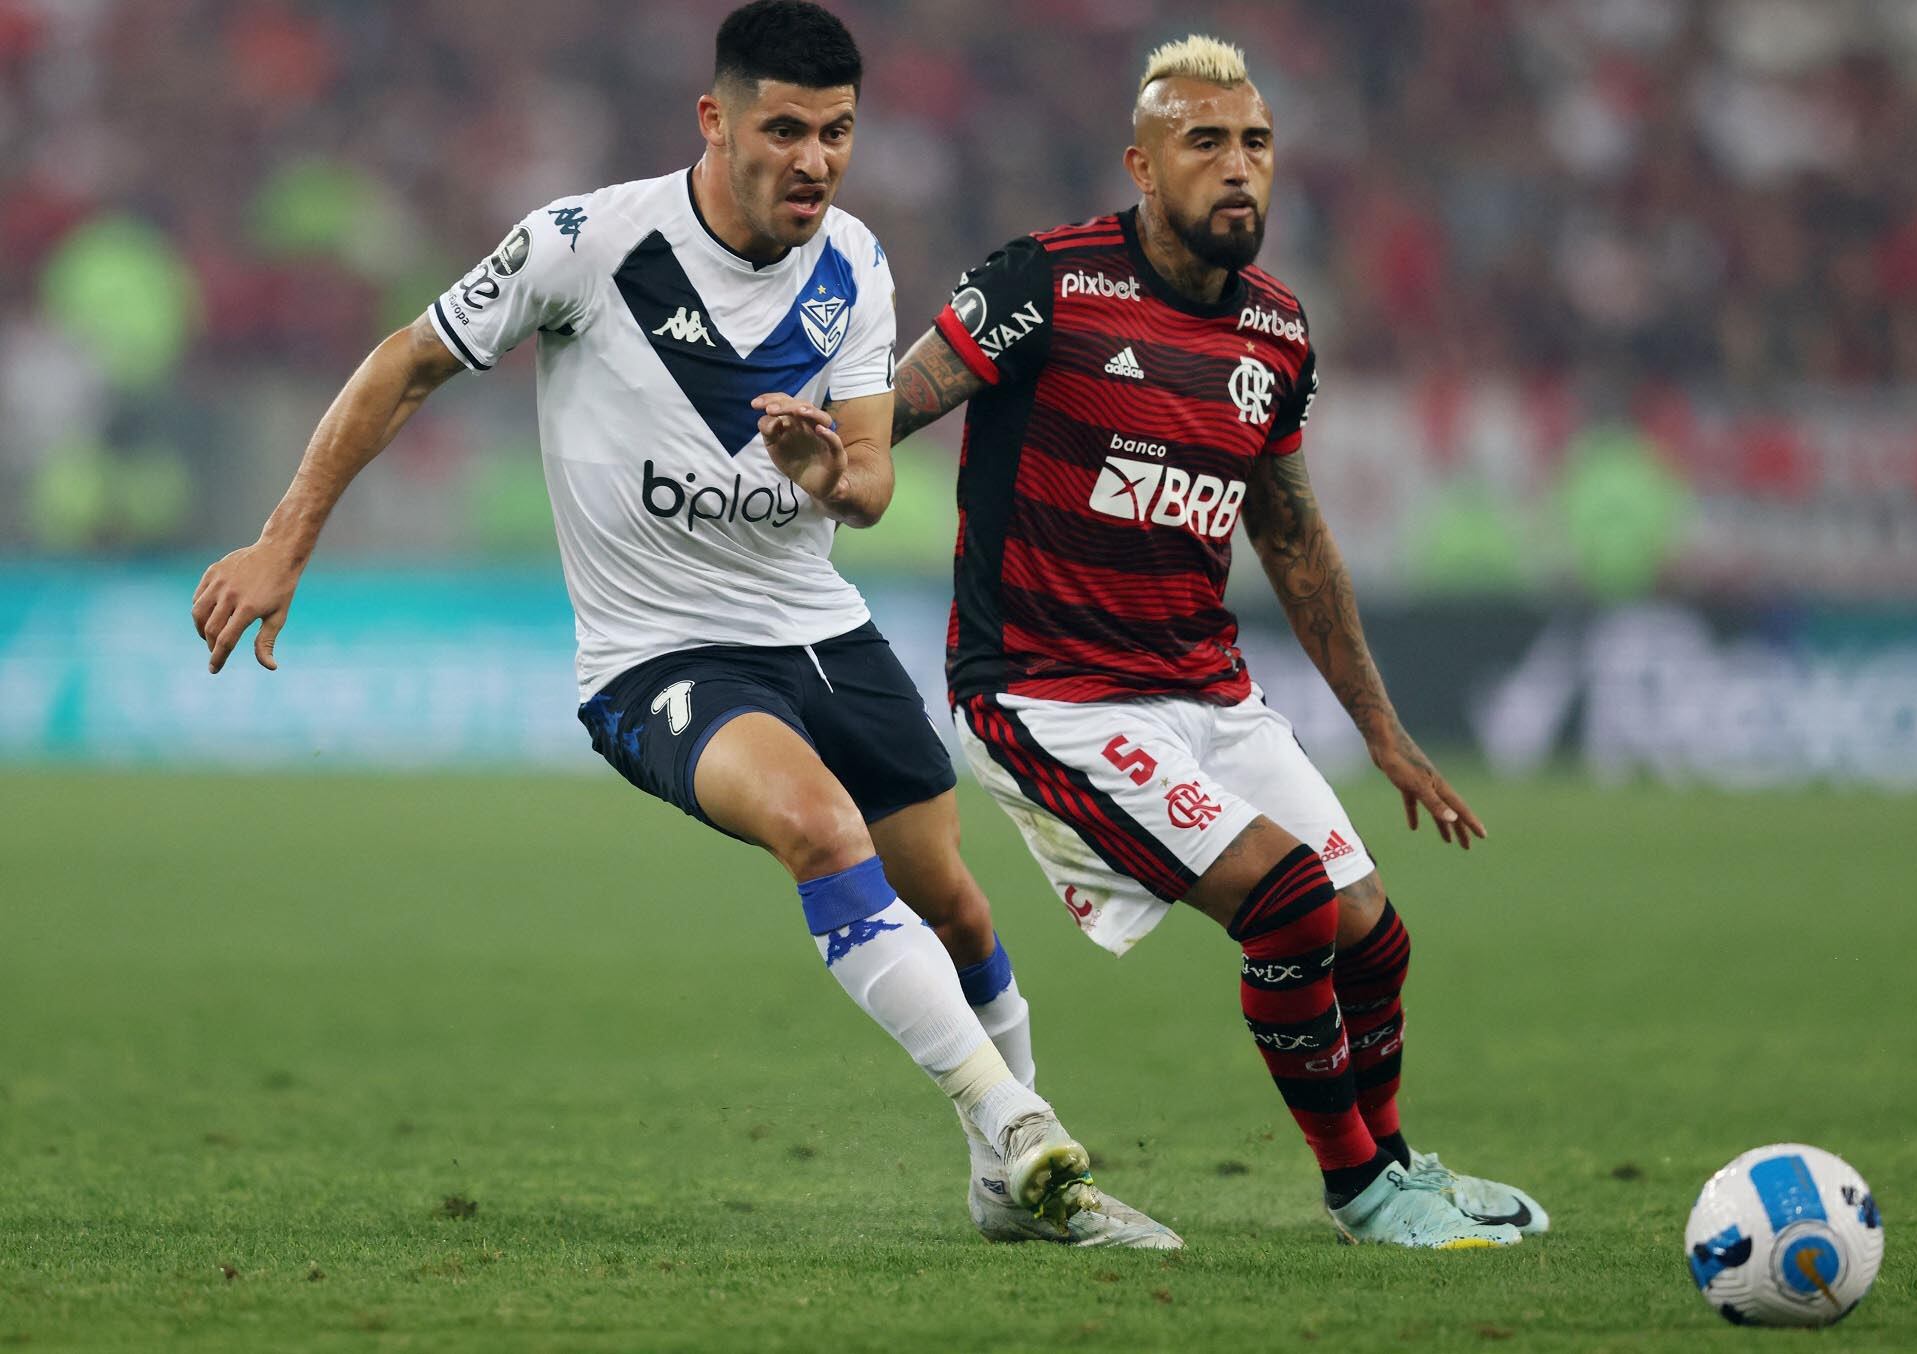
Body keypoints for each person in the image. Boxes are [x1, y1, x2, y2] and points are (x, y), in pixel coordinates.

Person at [190, 0, 1177, 1250]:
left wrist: (831, 479)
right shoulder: (585, 244)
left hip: (819, 626)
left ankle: (997, 1190)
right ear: (714, 121)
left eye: (837, 133)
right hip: (657, 655)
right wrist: (287, 536)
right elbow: (407, 362)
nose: (813, 160)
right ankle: (1028, 1135)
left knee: (960, 911)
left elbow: (872, 481)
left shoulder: (857, 265)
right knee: (817, 829)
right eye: (784, 130)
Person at [889, 34, 1549, 1249]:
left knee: (1373, 934)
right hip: (1049, 695)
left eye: (1254, 143)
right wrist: (832, 450)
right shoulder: (1045, 279)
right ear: (1142, 165)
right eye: (1205, 144)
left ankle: (1397, 1167)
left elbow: (1294, 540)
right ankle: (1357, 1189)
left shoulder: (1277, 335)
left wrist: (1387, 737)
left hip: (1208, 690)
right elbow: (900, 399)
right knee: (1290, 901)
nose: (1237, 168)